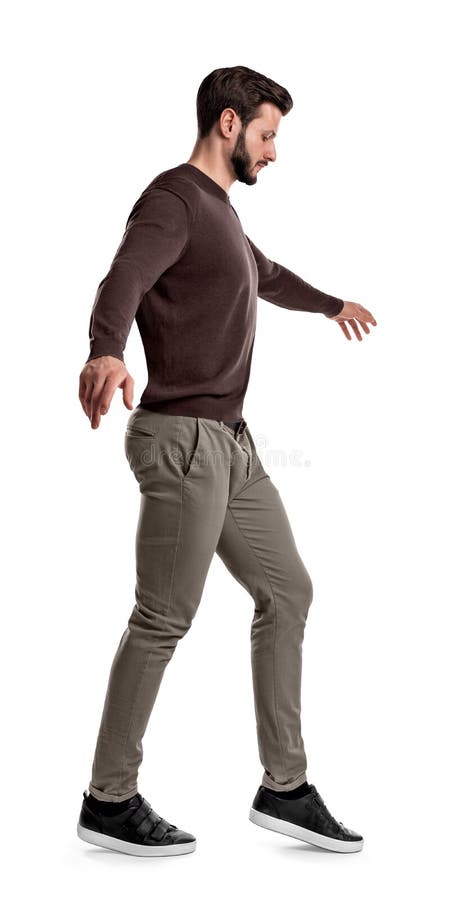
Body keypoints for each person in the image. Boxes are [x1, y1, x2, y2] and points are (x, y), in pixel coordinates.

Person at [77, 65, 376, 857]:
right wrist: (105, 349)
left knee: (289, 589)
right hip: (181, 441)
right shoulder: (174, 199)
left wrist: (331, 304)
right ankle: (108, 799)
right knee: (164, 617)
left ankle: (284, 787)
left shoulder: (223, 218)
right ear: (230, 124)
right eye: (269, 134)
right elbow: (125, 277)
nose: (275, 152)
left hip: (232, 447)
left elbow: (266, 276)